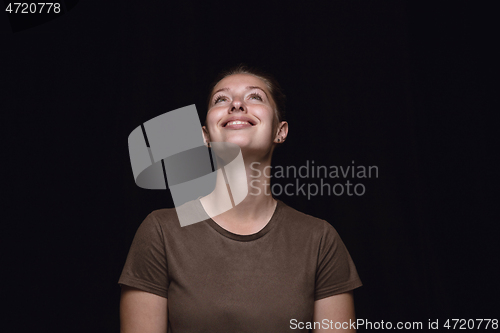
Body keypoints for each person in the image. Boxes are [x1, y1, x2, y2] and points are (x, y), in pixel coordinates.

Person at [118, 65, 362, 332]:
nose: (236, 105)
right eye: (221, 99)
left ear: (280, 131)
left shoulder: (320, 240)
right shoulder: (161, 231)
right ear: (205, 136)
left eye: (255, 97)